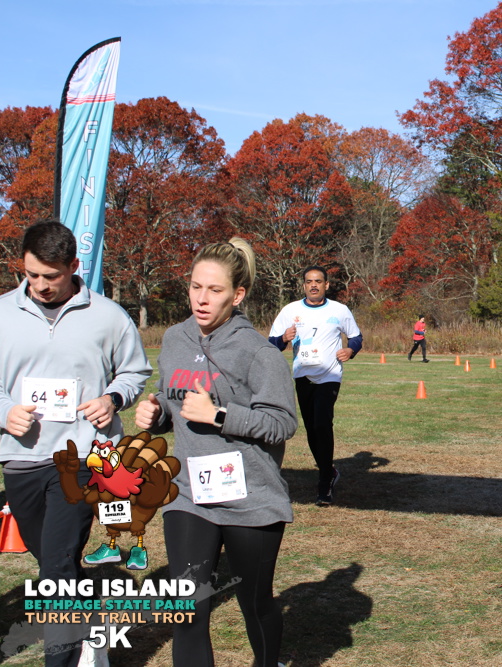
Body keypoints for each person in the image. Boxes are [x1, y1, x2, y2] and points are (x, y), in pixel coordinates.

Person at [0, 220, 151, 666]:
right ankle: (89, 630)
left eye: (52, 276)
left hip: (83, 454)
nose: (41, 285)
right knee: (52, 562)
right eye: (32, 274)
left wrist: (111, 399)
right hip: (22, 458)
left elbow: (135, 371)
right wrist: (4, 411)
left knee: (57, 571)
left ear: (74, 267)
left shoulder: (108, 316)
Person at [135, 238, 297, 667]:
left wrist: (220, 415)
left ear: (237, 295)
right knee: (188, 611)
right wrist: (157, 412)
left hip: (251, 499)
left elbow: (282, 423)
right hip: (189, 495)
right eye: (195, 287)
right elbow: (172, 398)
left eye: (214, 290)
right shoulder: (174, 338)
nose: (201, 299)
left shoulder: (258, 352)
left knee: (255, 604)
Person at [268, 266, 362, 506]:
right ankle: (328, 470)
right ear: (303, 285)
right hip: (303, 375)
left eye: (318, 281)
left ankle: (324, 482)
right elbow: (272, 343)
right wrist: (283, 338)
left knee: (322, 423)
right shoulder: (290, 310)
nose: (313, 285)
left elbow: (356, 337)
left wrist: (350, 350)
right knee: (311, 428)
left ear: (326, 285)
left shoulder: (339, 310)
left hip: (329, 375)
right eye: (309, 281)